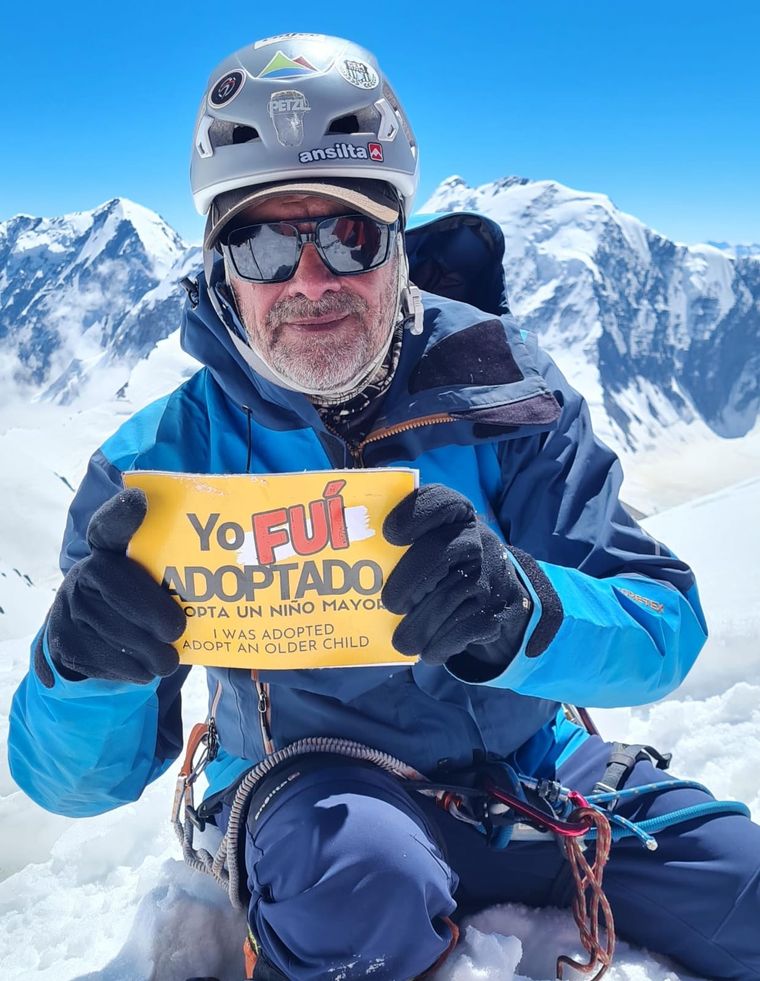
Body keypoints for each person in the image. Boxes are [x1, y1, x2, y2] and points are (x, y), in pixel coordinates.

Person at [8, 34, 760, 981]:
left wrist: (526, 610)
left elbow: (665, 625)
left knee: (746, 890)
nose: (309, 279)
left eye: (346, 235)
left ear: (397, 239)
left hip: (535, 773)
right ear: (221, 267)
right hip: (318, 797)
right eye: (267, 243)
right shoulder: (156, 466)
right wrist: (83, 669)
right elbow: (71, 783)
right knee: (364, 886)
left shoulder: (508, 391)